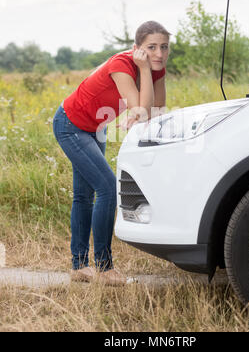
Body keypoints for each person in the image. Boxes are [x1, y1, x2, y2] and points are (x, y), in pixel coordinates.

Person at [52, 21, 170, 285]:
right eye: (151, 47)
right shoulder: (122, 65)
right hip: (70, 124)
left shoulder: (155, 70)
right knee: (106, 187)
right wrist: (142, 72)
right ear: (137, 48)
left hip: (96, 127)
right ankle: (104, 269)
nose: (159, 54)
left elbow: (154, 110)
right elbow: (138, 107)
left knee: (85, 194)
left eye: (164, 47)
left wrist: (147, 79)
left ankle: (79, 267)